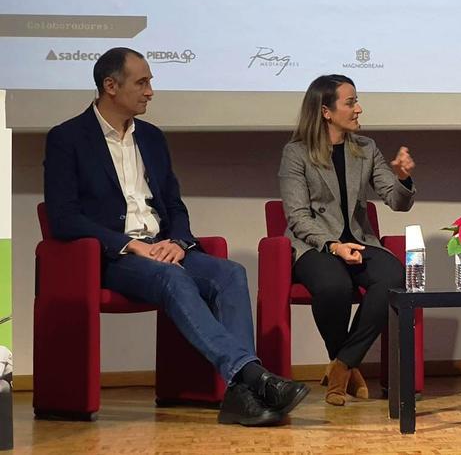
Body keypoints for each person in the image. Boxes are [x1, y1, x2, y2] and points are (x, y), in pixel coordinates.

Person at [43, 47, 309, 426]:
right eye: (143, 82)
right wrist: (130, 244)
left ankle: (239, 394)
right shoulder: (67, 138)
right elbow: (63, 218)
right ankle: (252, 377)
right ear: (110, 86)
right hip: (113, 258)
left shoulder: (151, 138)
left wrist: (179, 242)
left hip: (162, 248)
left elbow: (175, 206)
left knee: (230, 273)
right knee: (172, 277)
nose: (151, 91)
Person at [279, 74, 416, 406]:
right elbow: (297, 217)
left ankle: (342, 365)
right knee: (333, 286)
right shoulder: (296, 153)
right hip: (314, 245)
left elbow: (398, 203)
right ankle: (346, 365)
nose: (358, 109)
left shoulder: (366, 149)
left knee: (395, 279)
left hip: (359, 239)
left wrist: (403, 177)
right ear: (326, 111)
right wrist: (333, 246)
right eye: (350, 102)